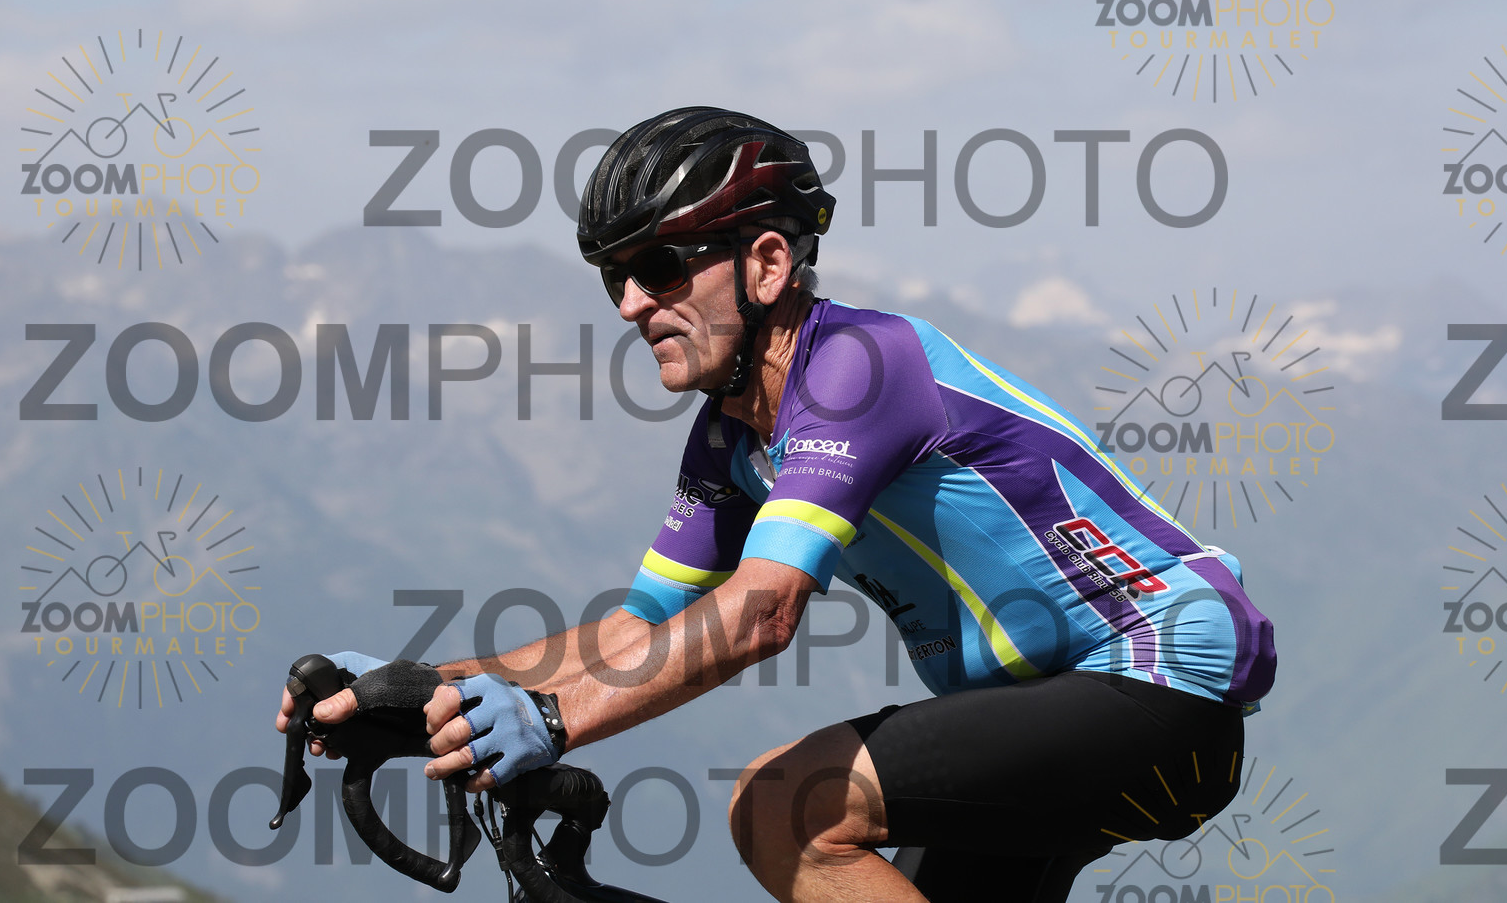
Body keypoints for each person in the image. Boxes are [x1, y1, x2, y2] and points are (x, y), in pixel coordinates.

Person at [279, 106, 1276, 902]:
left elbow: (761, 611)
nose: (629, 303)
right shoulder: (730, 437)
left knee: (785, 807)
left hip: (1156, 684)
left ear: (764, 263)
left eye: (659, 266)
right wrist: (424, 687)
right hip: (1043, 710)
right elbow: (635, 631)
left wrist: (549, 718)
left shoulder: (858, 366)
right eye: (614, 276)